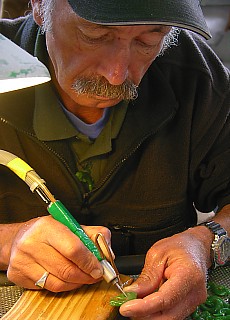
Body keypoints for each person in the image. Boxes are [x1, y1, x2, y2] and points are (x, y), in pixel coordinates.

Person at [0, 0, 229, 319]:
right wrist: (7, 242)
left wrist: (205, 240)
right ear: (40, 5)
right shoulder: (4, 66)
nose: (117, 74)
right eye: (95, 35)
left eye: (148, 40)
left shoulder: (198, 77)